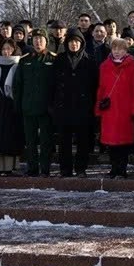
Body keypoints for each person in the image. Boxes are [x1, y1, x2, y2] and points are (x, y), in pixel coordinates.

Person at [51, 28, 99, 178]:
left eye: (77, 42)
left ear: (82, 43)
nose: (74, 45)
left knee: (83, 141)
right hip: (63, 106)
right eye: (71, 42)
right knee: (64, 141)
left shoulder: (90, 61)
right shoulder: (59, 59)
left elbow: (95, 85)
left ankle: (81, 168)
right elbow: (52, 84)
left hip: (83, 107)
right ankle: (65, 169)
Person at [13, 29, 57, 177]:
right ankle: (32, 168)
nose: (38, 42)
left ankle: (45, 169)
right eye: (35, 39)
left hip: (46, 109)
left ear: (46, 41)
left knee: (46, 142)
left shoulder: (53, 59)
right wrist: (18, 105)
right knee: (30, 141)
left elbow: (57, 86)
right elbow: (18, 85)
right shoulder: (25, 60)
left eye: (41, 39)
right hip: (28, 107)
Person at [97, 38, 134, 178]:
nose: (116, 52)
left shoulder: (132, 64)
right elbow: (101, 88)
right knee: (111, 142)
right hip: (109, 108)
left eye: (120, 49)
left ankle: (122, 168)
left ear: (125, 51)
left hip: (125, 108)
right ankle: (114, 167)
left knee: (123, 142)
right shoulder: (104, 66)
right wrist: (98, 107)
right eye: (114, 49)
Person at [0, 36, 24, 176]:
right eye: (4, 49)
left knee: (10, 135)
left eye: (9, 49)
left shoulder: (18, 65)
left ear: (14, 50)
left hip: (11, 105)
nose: (6, 51)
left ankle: (10, 166)